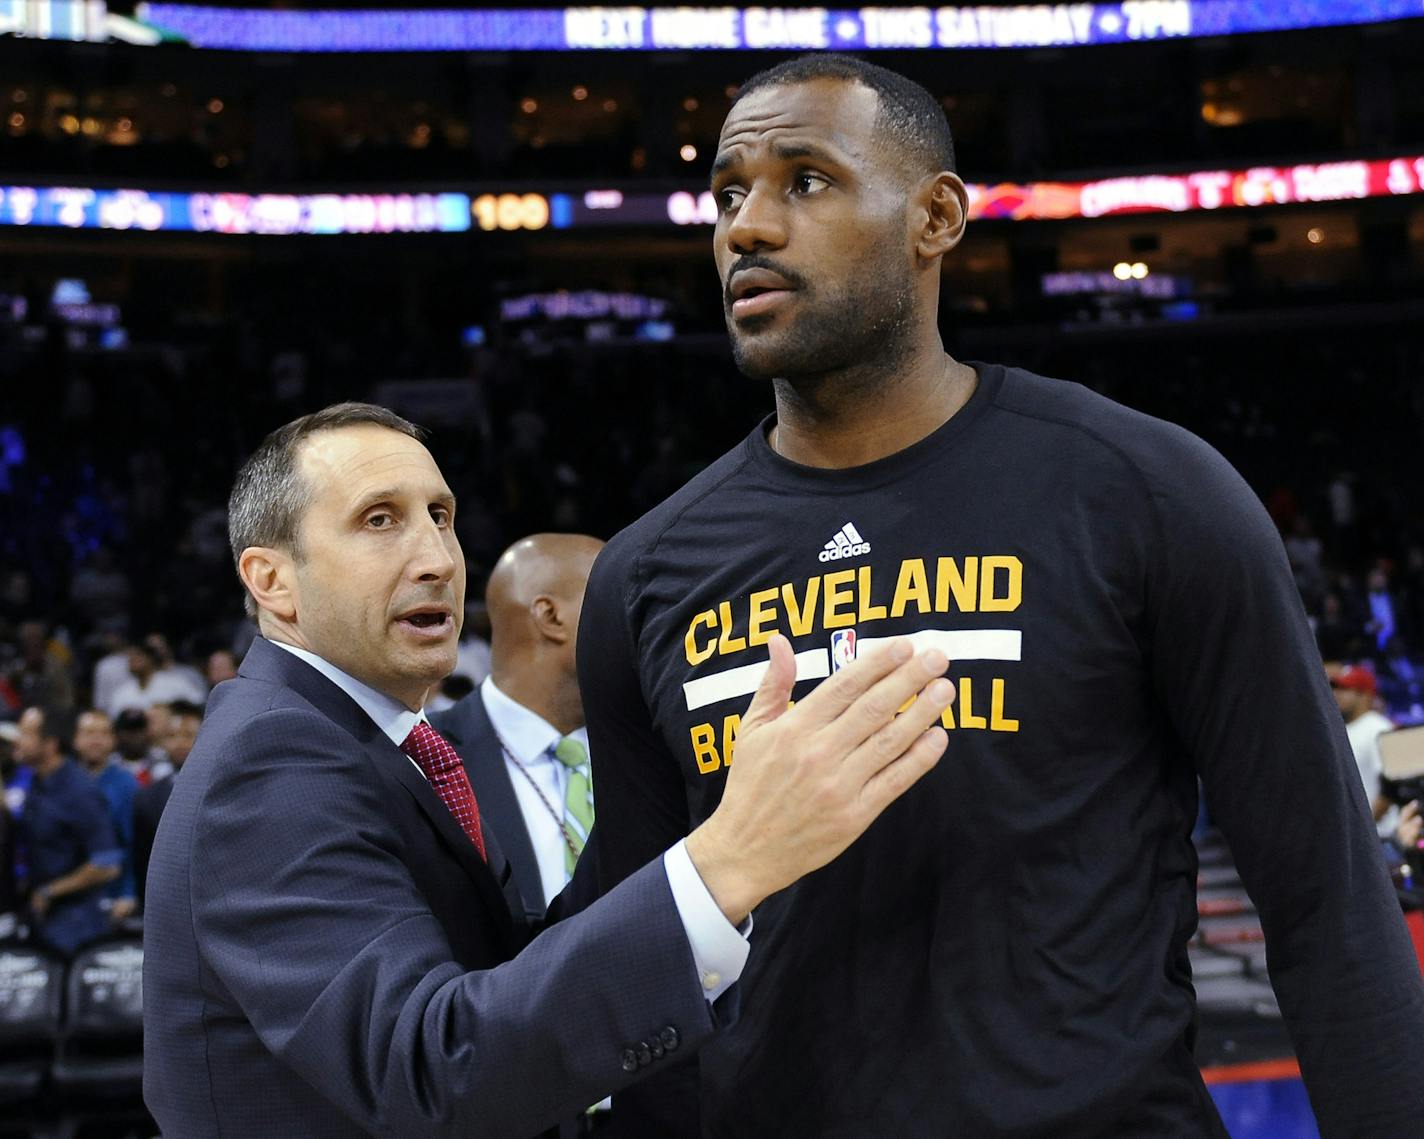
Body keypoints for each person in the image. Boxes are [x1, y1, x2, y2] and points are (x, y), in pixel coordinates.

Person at [577, 54, 1424, 1137]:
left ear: (935, 217)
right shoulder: (645, 572)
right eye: (728, 194)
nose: (745, 227)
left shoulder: (1148, 492)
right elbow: (647, 973)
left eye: (805, 180)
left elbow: (1323, 904)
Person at [143, 401, 954, 1139]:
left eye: (441, 516)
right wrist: (728, 861)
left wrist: (691, 804)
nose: (436, 557)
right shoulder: (272, 759)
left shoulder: (367, 740)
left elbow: (504, 972)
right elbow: (433, 1067)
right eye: (378, 520)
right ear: (271, 580)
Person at [433, 533, 604, 921]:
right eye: (620, 598)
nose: (644, 620)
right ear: (550, 617)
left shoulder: (652, 749)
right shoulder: (424, 762)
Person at [12, 705, 121, 955]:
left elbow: (106, 865)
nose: (17, 740)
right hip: (42, 918)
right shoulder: (35, 783)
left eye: (26, 734)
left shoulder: (80, 792)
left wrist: (51, 891)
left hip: (76, 926)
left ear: (49, 744)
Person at [131, 698, 202, 908]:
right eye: (172, 736)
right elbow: (141, 861)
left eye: (188, 735)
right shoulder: (146, 798)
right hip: (163, 900)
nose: (180, 743)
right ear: (162, 742)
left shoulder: (223, 788)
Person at [72, 707, 138, 922]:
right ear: (75, 739)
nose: (96, 740)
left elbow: (133, 843)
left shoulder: (127, 784)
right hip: (70, 894)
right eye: (89, 733)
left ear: (113, 740)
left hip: (112, 892)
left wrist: (128, 892)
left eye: (103, 733)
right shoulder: (64, 781)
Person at [1331, 663, 1397, 837]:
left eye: (1345, 689)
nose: (1336, 695)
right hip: (1355, 835)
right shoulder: (1342, 729)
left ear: (1364, 695)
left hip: (1380, 836)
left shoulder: (1378, 728)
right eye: (1335, 689)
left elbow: (1391, 785)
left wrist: (1364, 827)